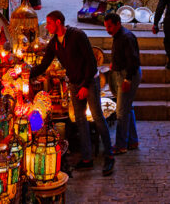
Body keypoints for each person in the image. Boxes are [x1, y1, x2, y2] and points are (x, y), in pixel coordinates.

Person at [30, 10, 115, 176]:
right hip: (75, 82)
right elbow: (44, 64)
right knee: (80, 119)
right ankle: (86, 158)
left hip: (90, 80)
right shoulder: (54, 43)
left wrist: (85, 85)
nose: (47, 26)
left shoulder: (78, 35)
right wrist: (28, 73)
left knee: (97, 117)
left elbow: (91, 62)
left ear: (58, 23)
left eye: (49, 23)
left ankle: (109, 156)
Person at [104, 13, 141, 154]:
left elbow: (133, 60)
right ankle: (132, 140)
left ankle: (121, 145)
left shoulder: (126, 37)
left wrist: (128, 79)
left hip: (128, 75)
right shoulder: (119, 36)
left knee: (121, 112)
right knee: (127, 108)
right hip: (123, 73)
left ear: (118, 24)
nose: (108, 29)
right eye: (106, 27)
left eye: (110, 26)